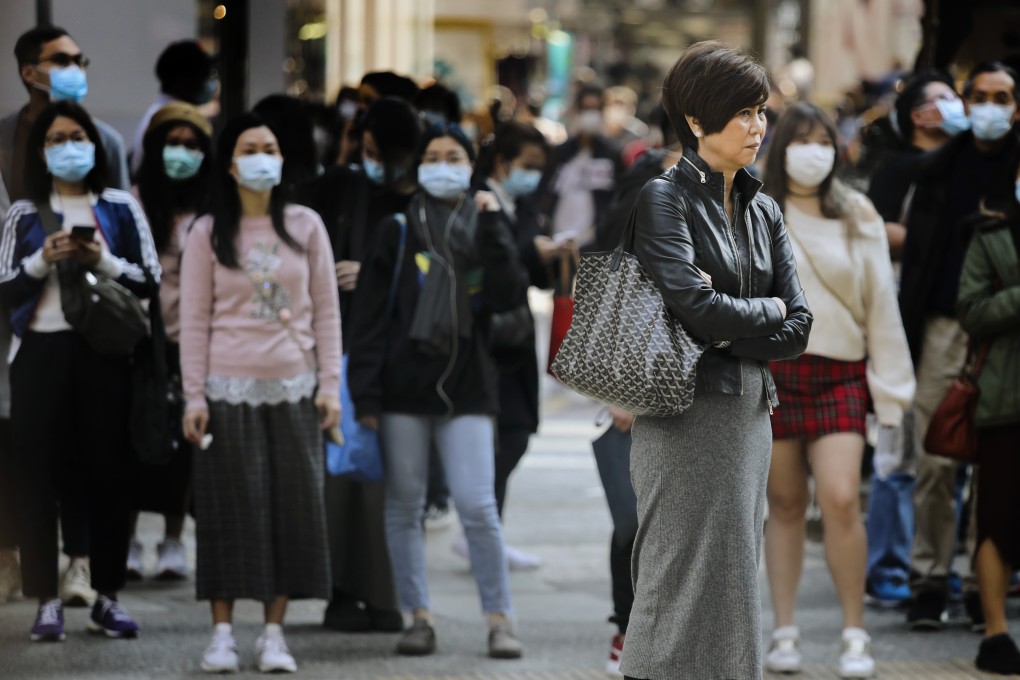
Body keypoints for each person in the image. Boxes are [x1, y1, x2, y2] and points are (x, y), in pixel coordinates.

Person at [620, 41, 812, 680]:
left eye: (761, 111)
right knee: (674, 580)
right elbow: (697, 309)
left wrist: (736, 319)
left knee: (734, 579)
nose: (758, 126)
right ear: (697, 122)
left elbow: (801, 326)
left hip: (749, 414)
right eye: (742, 113)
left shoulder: (763, 207)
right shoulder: (664, 197)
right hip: (682, 413)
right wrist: (763, 315)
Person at [347, 123, 528, 659]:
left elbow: (507, 293)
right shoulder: (397, 229)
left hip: (467, 388)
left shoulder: (484, 222)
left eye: (454, 156)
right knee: (404, 505)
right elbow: (370, 320)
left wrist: (494, 229)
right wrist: (367, 395)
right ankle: (417, 616)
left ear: (470, 164)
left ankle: (500, 620)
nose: (442, 164)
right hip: (402, 390)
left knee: (477, 505)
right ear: (418, 166)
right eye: (432, 155)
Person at [179, 113, 340, 673]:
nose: (262, 156)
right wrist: (194, 397)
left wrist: (330, 387)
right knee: (227, 511)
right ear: (230, 163)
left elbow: (326, 311)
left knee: (293, 511)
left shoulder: (306, 225)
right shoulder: (206, 233)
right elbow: (193, 320)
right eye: (250, 148)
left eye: (270, 147)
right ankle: (221, 632)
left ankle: (275, 633)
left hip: (295, 389)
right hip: (226, 391)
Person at [760, 102, 915, 678]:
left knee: (843, 498)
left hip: (842, 374)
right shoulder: (756, 207)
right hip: (776, 372)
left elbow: (882, 306)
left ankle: (855, 634)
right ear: (780, 149)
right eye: (800, 139)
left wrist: (894, 394)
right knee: (784, 505)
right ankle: (784, 631)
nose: (812, 149)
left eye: (822, 139)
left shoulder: (858, 213)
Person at [0, 100, 160, 642]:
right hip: (39, 355)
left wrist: (102, 262)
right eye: (55, 139)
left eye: (78, 136)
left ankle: (107, 595)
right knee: (37, 476)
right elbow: (4, 289)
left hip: (104, 355)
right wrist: (42, 260)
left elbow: (149, 281)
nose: (69, 147)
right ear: (41, 153)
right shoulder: (23, 213)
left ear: (95, 145)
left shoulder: (119, 206)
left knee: (108, 474)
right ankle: (47, 600)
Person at [0, 26, 131, 607]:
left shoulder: (102, 139)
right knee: (18, 443)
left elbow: (121, 225)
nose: (77, 67)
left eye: (81, 59)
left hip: (79, 314)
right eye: (63, 60)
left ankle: (81, 565)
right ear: (31, 71)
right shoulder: (2, 138)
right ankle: (14, 562)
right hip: (13, 302)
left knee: (84, 446)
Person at [899, 61, 1020, 631]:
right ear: (966, 102)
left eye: (1003, 97)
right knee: (935, 460)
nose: (992, 106)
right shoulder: (938, 170)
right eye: (982, 96)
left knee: (994, 467)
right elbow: (920, 258)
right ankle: (928, 579)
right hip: (944, 326)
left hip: (1008, 335)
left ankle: (983, 586)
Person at [296, 96, 420, 633]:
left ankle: (385, 596)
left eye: (381, 153)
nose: (373, 161)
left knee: (386, 489)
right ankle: (343, 592)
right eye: (365, 149)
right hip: (345, 353)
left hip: (401, 358)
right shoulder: (341, 189)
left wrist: (371, 272)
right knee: (348, 481)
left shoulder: (425, 201)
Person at [862, 70, 965, 608]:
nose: (958, 106)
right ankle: (892, 568)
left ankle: (943, 562)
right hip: (900, 322)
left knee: (950, 455)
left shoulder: (973, 165)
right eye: (944, 99)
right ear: (919, 114)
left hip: (954, 318)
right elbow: (873, 230)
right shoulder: (900, 170)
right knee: (900, 454)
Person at [126, 102, 214, 580]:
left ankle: (175, 541)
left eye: (192, 145)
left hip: (192, 342)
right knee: (134, 438)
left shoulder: (212, 207)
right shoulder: (133, 200)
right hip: (139, 340)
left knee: (184, 445)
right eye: (172, 143)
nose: (181, 153)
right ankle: (132, 541)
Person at [470, 121, 558, 570]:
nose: (534, 175)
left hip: (515, 337)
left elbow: (532, 277)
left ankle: (487, 533)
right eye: (527, 165)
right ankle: (483, 534)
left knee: (514, 434)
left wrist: (548, 257)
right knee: (499, 438)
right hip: (487, 339)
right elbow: (498, 273)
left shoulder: (522, 205)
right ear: (503, 163)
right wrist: (532, 253)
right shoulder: (480, 203)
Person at [956, 157, 1020, 675]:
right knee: (996, 518)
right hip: (1004, 397)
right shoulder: (990, 233)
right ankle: (995, 633)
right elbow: (971, 310)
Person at [541, 85, 623, 249]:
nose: (590, 115)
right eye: (586, 109)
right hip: (557, 235)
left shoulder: (612, 154)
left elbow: (618, 198)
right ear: (576, 111)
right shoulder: (560, 153)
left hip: (593, 240)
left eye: (595, 109)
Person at [130, 40, 216, 174]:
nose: (207, 84)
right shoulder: (168, 118)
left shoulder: (162, 111)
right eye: (203, 76)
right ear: (184, 79)